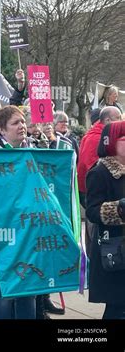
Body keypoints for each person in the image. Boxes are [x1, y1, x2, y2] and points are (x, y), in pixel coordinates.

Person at [0, 106, 36, 319]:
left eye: (23, 122)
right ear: (2, 129)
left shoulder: (33, 151)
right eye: (15, 123)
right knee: (6, 284)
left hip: (31, 229)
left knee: (30, 285)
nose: (22, 126)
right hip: (5, 229)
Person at [86, 120, 125, 319]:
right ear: (111, 143)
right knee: (117, 308)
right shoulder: (99, 172)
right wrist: (119, 208)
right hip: (114, 251)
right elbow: (92, 211)